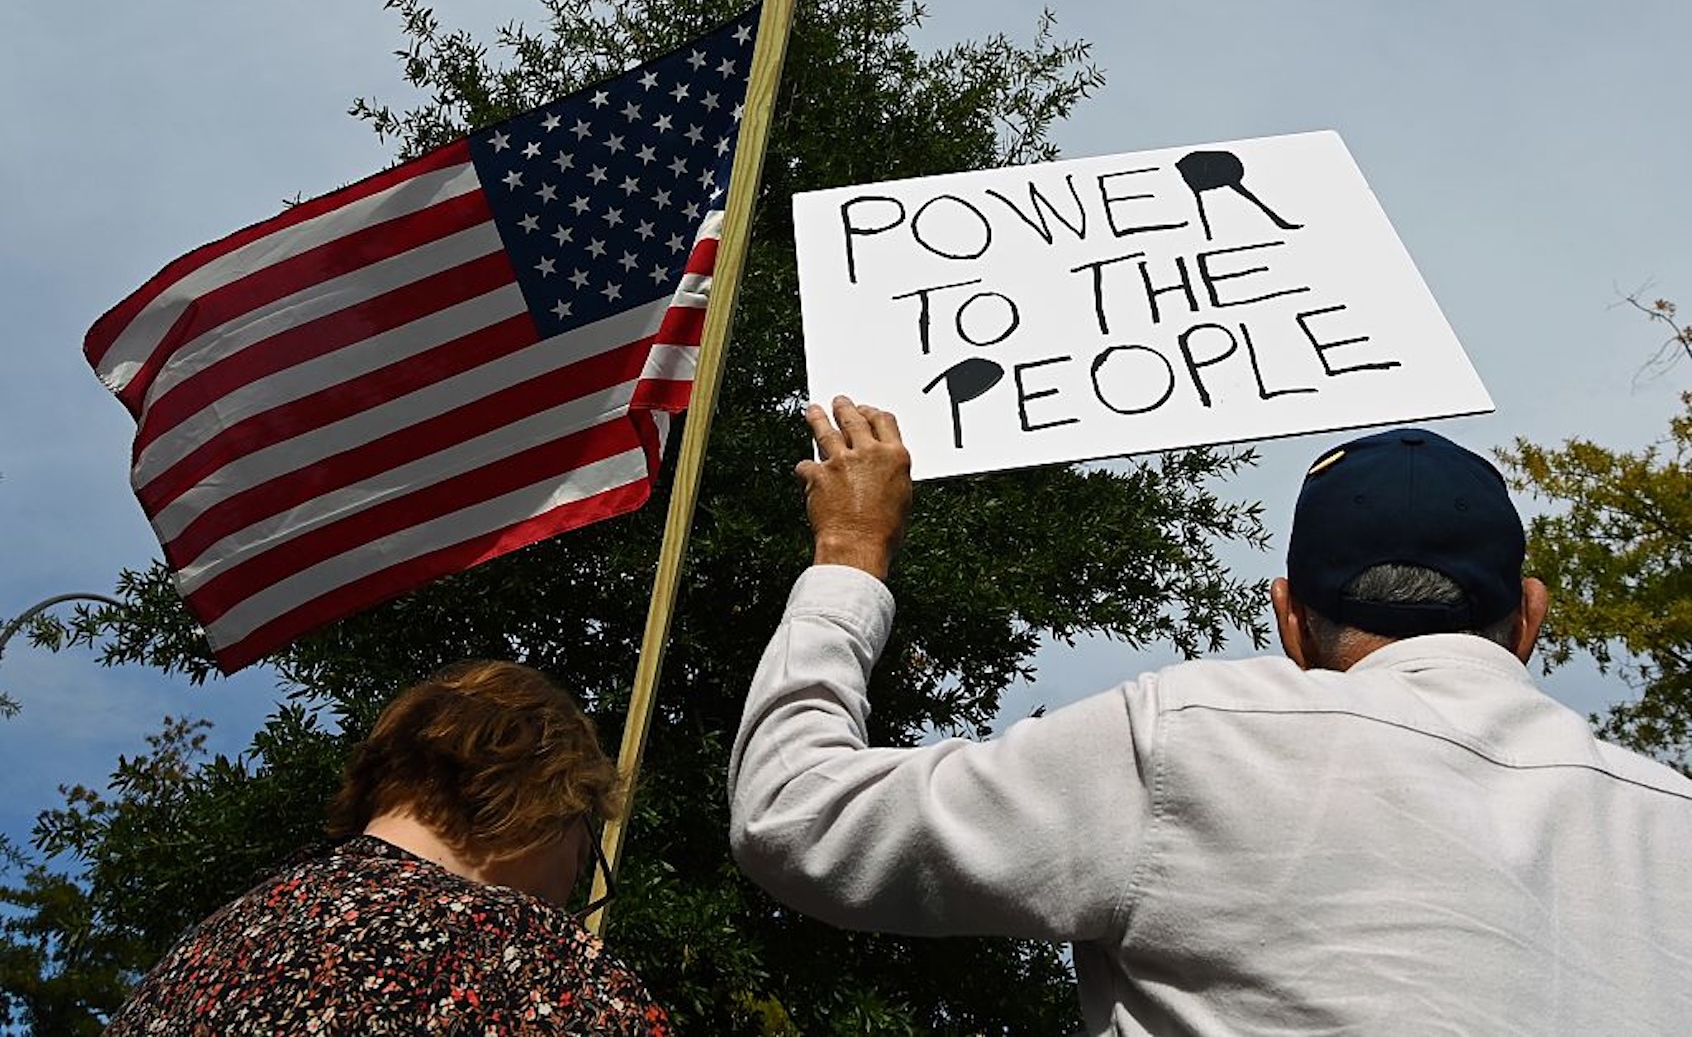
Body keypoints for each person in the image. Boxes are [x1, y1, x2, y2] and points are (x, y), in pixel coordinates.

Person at [728, 397, 1692, 1035]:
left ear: (1289, 621)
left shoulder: (1198, 736)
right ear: (1529, 616)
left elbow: (797, 816)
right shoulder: (1673, 821)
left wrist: (851, 550)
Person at [108, 659, 671, 1036]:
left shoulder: (199, 954)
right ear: (552, 803)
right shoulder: (524, 955)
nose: (577, 872)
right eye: (586, 841)